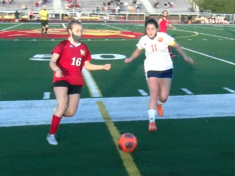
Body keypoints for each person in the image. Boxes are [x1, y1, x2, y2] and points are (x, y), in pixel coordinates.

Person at [46, 20, 111, 145]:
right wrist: (57, 69)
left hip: (76, 80)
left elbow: (87, 65)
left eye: (81, 31)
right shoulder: (62, 45)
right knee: (62, 104)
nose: (80, 33)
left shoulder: (84, 47)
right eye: (77, 30)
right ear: (70, 31)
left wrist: (102, 67)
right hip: (62, 78)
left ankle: (57, 112)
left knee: (70, 112)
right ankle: (51, 134)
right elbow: (52, 62)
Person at [124, 19, 193, 132]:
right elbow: (138, 51)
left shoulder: (164, 37)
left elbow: (176, 46)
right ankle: (151, 122)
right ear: (145, 30)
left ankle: (160, 104)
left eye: (152, 29)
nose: (150, 31)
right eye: (148, 29)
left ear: (157, 29)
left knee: (164, 96)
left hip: (166, 67)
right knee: (154, 93)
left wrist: (185, 56)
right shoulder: (144, 40)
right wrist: (131, 58)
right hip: (151, 68)